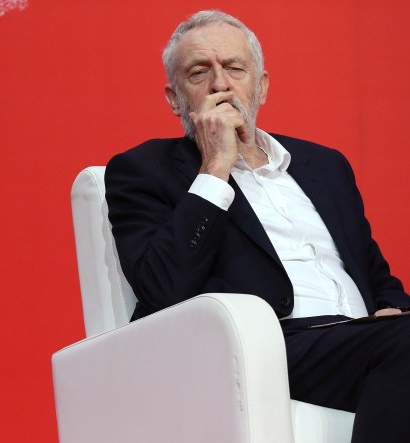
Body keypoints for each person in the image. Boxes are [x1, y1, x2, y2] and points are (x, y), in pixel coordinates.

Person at [105, 10, 410, 442]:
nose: (220, 84)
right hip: (264, 346)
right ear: (174, 98)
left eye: (234, 68)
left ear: (261, 86)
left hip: (366, 339)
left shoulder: (325, 165)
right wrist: (215, 167)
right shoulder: (143, 170)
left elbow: (376, 275)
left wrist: (393, 308)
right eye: (199, 73)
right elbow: (161, 288)